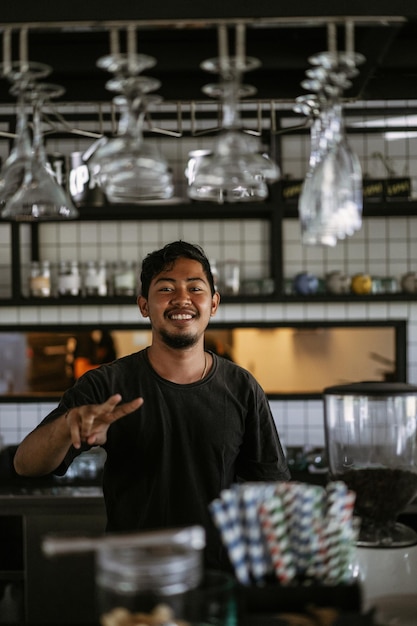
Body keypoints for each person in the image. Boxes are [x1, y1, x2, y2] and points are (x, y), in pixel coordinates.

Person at [13, 241, 290, 569]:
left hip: (217, 578)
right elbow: (25, 465)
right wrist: (67, 424)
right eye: (166, 288)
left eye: (195, 288)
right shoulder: (107, 384)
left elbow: (274, 493)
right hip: (133, 577)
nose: (182, 299)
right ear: (144, 305)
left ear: (214, 303)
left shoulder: (242, 388)